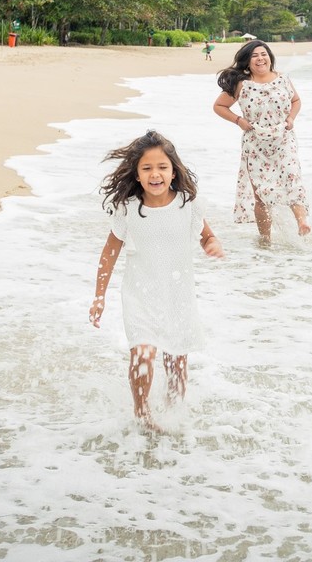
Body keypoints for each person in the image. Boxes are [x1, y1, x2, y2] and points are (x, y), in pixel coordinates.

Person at [92, 130, 224, 432]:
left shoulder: (188, 204)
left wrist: (212, 245)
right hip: (139, 294)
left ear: (173, 171)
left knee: (177, 361)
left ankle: (175, 414)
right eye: (147, 168)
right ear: (137, 175)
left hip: (178, 295)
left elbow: (207, 235)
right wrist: (99, 296)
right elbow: (110, 252)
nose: (155, 174)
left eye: (162, 167)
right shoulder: (128, 210)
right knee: (142, 353)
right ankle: (142, 416)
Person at [213, 40, 310, 244]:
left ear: (270, 57)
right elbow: (219, 106)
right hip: (255, 143)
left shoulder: (283, 78)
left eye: (263, 54)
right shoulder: (242, 84)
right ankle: (265, 239)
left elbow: (296, 100)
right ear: (247, 62)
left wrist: (291, 118)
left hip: (283, 139)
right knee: (261, 194)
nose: (260, 58)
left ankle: (302, 223)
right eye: (254, 55)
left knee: (292, 177)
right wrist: (239, 121)